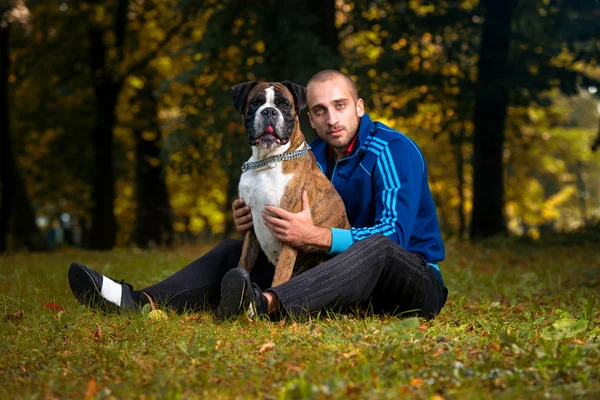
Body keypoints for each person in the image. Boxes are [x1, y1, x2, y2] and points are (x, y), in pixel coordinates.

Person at [68, 70, 447, 320]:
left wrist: (317, 236)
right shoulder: (306, 157)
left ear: (359, 107)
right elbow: (287, 229)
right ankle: (138, 303)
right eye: (320, 110)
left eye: (340, 106)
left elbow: (394, 235)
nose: (331, 119)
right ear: (307, 118)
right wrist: (255, 216)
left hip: (409, 282)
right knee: (231, 250)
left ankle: (263, 305)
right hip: (334, 277)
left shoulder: (393, 149)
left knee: (375, 247)